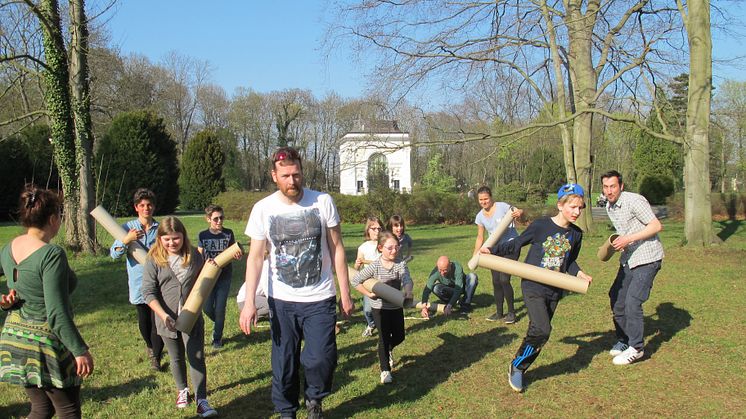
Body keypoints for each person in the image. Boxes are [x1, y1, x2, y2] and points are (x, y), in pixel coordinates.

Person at [239, 146, 354, 419]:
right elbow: (255, 258)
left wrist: (345, 293)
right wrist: (249, 304)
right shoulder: (263, 209)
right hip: (281, 300)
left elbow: (337, 248)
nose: (293, 181)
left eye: (297, 174)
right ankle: (286, 411)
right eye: (286, 176)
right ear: (274, 176)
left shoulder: (322, 201)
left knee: (321, 358)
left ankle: (314, 399)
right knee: (284, 363)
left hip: (320, 296)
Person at [482, 183, 592, 392]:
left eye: (580, 208)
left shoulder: (576, 235)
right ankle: (517, 366)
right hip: (533, 285)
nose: (577, 212)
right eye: (573, 207)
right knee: (543, 329)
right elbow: (517, 243)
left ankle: (519, 366)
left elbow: (569, 261)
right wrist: (492, 250)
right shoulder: (541, 226)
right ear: (560, 205)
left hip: (555, 289)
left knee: (538, 331)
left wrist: (579, 274)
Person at [0, 185, 94, 418]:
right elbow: (56, 312)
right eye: (60, 216)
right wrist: (79, 350)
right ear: (53, 218)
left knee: (42, 408)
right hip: (45, 343)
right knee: (68, 410)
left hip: (15, 339)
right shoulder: (51, 255)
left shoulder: (7, 248)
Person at [141, 217, 218, 418]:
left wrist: (211, 266)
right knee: (176, 358)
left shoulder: (194, 255)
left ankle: (202, 400)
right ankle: (182, 389)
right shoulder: (154, 259)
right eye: (167, 239)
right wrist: (163, 315)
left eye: (176, 238)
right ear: (160, 239)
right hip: (165, 318)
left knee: (197, 357)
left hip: (191, 317)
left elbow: (203, 278)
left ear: (183, 236)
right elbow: (148, 292)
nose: (172, 243)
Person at [601, 170, 664, 365]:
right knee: (616, 298)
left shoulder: (635, 201)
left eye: (613, 186)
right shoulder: (609, 207)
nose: (609, 191)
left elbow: (655, 226)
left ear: (621, 186)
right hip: (628, 259)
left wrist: (629, 238)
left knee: (632, 301)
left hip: (647, 257)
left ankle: (636, 348)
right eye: (605, 187)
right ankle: (624, 340)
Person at [109, 188, 164, 370]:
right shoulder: (127, 228)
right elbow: (114, 255)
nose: (146, 208)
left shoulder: (160, 228)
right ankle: (150, 345)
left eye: (149, 205)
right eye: (142, 205)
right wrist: (127, 239)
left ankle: (156, 357)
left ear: (153, 207)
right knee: (144, 321)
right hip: (138, 282)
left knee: (157, 321)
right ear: (136, 208)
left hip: (157, 281)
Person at [351, 232, 413, 384]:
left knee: (400, 336)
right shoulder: (375, 266)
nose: (394, 251)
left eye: (396, 247)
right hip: (379, 308)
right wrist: (368, 293)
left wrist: (408, 291)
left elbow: (407, 279)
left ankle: (388, 350)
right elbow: (356, 280)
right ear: (380, 248)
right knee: (383, 338)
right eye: (390, 248)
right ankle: (385, 371)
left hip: (396, 305)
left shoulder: (400, 264)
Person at [473, 186, 523, 324]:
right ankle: (499, 313)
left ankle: (511, 313)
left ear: (491, 197)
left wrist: (519, 213)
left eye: (486, 199)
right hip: (494, 250)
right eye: (481, 199)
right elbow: (479, 237)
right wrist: (475, 255)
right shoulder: (480, 216)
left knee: (504, 279)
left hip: (511, 247)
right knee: (496, 281)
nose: (483, 202)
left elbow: (518, 211)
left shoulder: (502, 207)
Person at [197, 204, 241, 349]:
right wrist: (203, 263)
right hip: (208, 276)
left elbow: (234, 251)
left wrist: (237, 255)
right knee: (207, 308)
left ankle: (217, 337)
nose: (219, 221)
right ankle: (219, 322)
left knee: (220, 308)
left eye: (221, 218)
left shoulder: (228, 233)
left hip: (224, 276)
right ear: (208, 219)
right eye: (216, 219)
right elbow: (198, 256)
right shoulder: (202, 235)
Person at [355, 216, 383, 338]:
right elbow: (356, 271)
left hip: (383, 281)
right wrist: (357, 265)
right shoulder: (363, 247)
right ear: (368, 230)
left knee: (384, 309)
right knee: (367, 310)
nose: (377, 231)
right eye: (374, 228)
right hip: (368, 283)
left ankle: (385, 329)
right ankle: (371, 324)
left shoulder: (384, 245)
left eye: (379, 228)